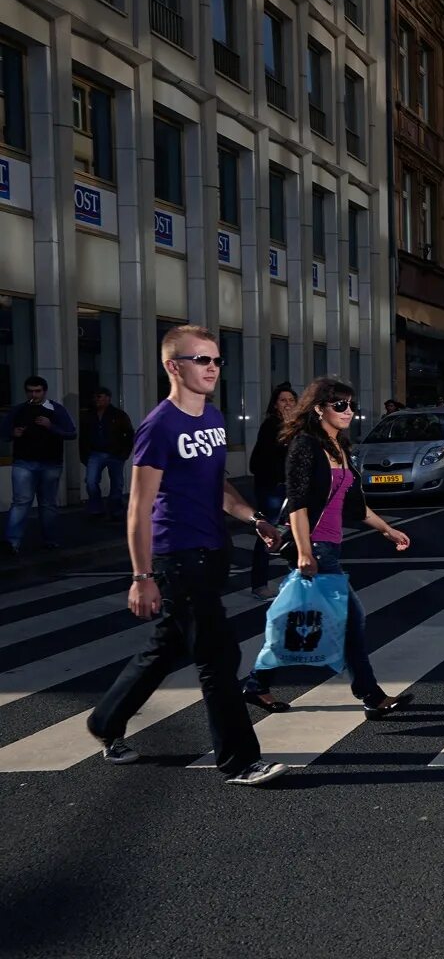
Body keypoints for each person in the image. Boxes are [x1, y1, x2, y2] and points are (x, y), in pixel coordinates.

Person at [86, 325, 287, 786]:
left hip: (213, 550)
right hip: (177, 555)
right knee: (218, 655)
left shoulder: (212, 419)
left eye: (216, 360)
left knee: (167, 645)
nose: (212, 367)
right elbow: (138, 506)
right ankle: (240, 760)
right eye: (201, 359)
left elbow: (217, 486)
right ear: (173, 366)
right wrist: (142, 576)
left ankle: (106, 720)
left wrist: (253, 518)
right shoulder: (159, 426)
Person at [241, 377, 414, 718]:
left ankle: (257, 684)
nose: (348, 411)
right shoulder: (305, 446)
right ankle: (372, 695)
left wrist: (387, 530)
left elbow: (354, 505)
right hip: (316, 547)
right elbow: (299, 505)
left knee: (297, 620)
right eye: (340, 405)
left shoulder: (341, 448)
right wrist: (304, 552)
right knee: (351, 618)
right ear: (319, 408)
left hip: (330, 546)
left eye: (351, 405)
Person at [2, 375, 77, 554]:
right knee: (21, 501)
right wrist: (13, 433)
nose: (33, 394)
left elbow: (71, 433)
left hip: (50, 463)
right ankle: (12, 542)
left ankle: (50, 540)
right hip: (24, 462)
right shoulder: (19, 410)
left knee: (47, 503)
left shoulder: (56, 409)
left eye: (37, 391)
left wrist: (51, 426)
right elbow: (4, 432)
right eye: (30, 391)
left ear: (44, 391)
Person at [248, 383, 297, 600]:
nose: (287, 404)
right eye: (283, 400)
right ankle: (259, 584)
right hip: (273, 487)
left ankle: (298, 579)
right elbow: (266, 458)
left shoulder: (297, 426)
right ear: (275, 405)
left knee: (296, 534)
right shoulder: (272, 425)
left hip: (291, 486)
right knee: (268, 534)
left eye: (291, 400)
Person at [79, 387, 134, 522]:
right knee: (91, 482)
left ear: (108, 398)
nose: (97, 399)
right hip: (95, 452)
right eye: (95, 397)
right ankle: (97, 508)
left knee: (117, 483)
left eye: (100, 396)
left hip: (115, 453)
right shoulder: (89, 415)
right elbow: (83, 436)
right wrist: (84, 455)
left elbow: (129, 434)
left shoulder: (118, 414)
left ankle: (116, 509)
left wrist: (124, 453)